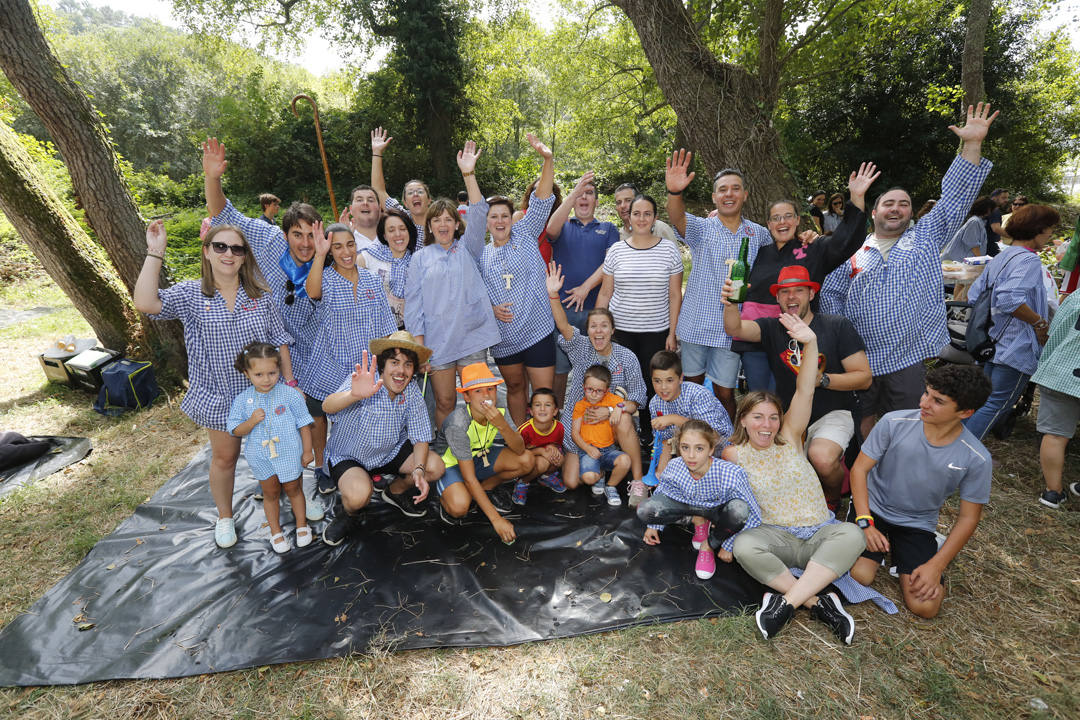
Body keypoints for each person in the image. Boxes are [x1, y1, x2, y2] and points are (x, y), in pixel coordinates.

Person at [820, 103, 997, 441]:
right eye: (888, 203)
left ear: (912, 212)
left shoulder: (925, 238)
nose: (896, 208)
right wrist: (840, 341)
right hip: (860, 358)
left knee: (905, 422)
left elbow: (954, 200)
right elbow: (830, 294)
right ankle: (864, 479)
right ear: (874, 213)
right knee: (862, 421)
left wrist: (972, 144)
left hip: (906, 355)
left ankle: (896, 475)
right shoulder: (852, 248)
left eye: (903, 204)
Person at [134, 220, 295, 549]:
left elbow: (280, 342)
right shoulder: (192, 295)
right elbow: (146, 303)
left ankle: (288, 503)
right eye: (220, 246)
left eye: (236, 248)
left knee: (279, 454)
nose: (228, 254)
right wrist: (155, 253)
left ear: (244, 256)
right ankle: (225, 517)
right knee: (225, 459)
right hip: (219, 397)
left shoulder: (260, 297)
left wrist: (290, 383)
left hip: (262, 395)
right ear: (207, 252)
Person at [202, 138, 331, 503]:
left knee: (315, 411)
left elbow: (329, 289)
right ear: (285, 231)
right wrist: (213, 178)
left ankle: (320, 468)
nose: (305, 242)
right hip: (269, 349)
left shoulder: (324, 260)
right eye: (297, 234)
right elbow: (224, 213)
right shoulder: (269, 239)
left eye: (311, 235)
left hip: (309, 348)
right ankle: (273, 475)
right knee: (270, 416)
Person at [723, 314, 866, 644]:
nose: (767, 424)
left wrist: (811, 341)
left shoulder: (791, 436)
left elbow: (805, 388)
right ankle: (820, 603)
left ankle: (785, 604)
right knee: (746, 546)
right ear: (743, 420)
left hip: (819, 531)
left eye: (773, 416)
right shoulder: (733, 455)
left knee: (852, 535)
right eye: (757, 416)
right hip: (777, 537)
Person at [849, 365, 993, 619]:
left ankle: (918, 552)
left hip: (917, 523)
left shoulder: (977, 457)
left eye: (938, 401)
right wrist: (865, 522)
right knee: (860, 576)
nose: (924, 403)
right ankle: (882, 552)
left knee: (925, 607)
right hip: (873, 509)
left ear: (966, 412)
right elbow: (859, 470)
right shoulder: (894, 422)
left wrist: (936, 566)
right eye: (926, 393)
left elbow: (969, 517)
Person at [723, 266, 871, 509]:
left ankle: (832, 498)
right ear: (778, 298)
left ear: (812, 294)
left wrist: (824, 380)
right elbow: (735, 329)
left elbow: (864, 377)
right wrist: (730, 303)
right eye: (785, 292)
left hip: (833, 411)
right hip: (789, 418)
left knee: (821, 458)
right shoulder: (772, 327)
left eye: (799, 291)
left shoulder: (836, 326)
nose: (791, 297)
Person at [735, 162, 878, 393]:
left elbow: (845, 242)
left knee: (793, 395)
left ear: (798, 220)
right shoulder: (757, 252)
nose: (783, 222)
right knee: (761, 397)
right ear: (769, 224)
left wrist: (857, 198)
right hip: (756, 339)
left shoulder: (812, 248)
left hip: (796, 338)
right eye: (776, 218)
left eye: (788, 216)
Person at [664, 155, 773, 421]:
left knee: (725, 392)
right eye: (723, 189)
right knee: (690, 387)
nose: (729, 194)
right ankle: (687, 439)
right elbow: (676, 216)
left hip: (731, 329)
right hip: (696, 325)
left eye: (735, 188)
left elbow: (778, 260)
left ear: (745, 194)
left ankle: (726, 439)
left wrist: (806, 238)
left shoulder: (758, 234)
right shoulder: (702, 228)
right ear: (714, 197)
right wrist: (675, 191)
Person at [464, 134, 557, 426]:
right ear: (486, 222)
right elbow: (475, 294)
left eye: (505, 215)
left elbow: (542, 200)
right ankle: (523, 441)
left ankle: (546, 441)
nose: (500, 221)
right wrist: (491, 310)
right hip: (504, 339)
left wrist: (547, 159)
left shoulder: (526, 234)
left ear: (512, 218)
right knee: (516, 389)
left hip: (538, 329)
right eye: (494, 217)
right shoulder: (480, 253)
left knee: (542, 393)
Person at [404, 151, 502, 429]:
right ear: (430, 227)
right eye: (437, 220)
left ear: (457, 224)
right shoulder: (420, 258)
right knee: (445, 402)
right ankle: (449, 454)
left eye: (448, 219)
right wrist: (421, 350)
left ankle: (478, 452)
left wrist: (468, 174)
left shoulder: (468, 249)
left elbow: (480, 211)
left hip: (471, 338)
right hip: (438, 344)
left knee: (480, 400)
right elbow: (413, 308)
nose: (443, 224)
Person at [320, 336, 446, 546]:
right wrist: (353, 395)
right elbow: (327, 406)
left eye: (407, 364)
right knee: (359, 496)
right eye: (394, 362)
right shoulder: (366, 382)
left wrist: (419, 471)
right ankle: (348, 514)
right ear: (383, 365)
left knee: (435, 467)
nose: (401, 371)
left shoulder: (412, 390)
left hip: (389, 452)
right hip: (350, 456)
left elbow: (421, 436)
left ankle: (394, 491)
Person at [305, 222, 398, 493]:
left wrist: (391, 356)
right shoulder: (327, 279)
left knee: (360, 418)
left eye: (350, 244)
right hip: (330, 364)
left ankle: (362, 465)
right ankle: (322, 467)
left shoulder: (370, 279)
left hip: (365, 364)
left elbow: (385, 322)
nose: (346, 252)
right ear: (329, 250)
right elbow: (313, 292)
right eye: (337, 246)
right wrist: (319, 255)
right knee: (321, 415)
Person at [546, 262, 647, 492]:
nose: (598, 331)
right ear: (588, 330)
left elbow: (638, 397)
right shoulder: (581, 349)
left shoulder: (626, 357)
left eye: (604, 326)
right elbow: (563, 326)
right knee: (572, 482)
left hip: (613, 426)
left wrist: (612, 410)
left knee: (622, 417)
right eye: (593, 326)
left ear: (612, 330)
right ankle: (600, 467)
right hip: (581, 430)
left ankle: (638, 480)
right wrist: (553, 294)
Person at [964, 204, 1058, 441]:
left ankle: (950, 443)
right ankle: (961, 452)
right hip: (1016, 347)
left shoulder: (1000, 257)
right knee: (997, 403)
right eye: (1049, 230)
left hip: (991, 342)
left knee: (981, 400)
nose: (1050, 236)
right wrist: (1039, 322)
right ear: (1038, 230)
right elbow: (1009, 299)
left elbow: (974, 296)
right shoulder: (1029, 261)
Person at [597, 193, 684, 444]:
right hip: (621, 331)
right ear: (629, 216)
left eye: (647, 214)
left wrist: (672, 332)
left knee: (651, 383)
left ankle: (650, 433)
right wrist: (599, 329)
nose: (642, 218)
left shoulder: (668, 250)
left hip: (656, 330)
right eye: (637, 213)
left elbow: (675, 295)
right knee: (618, 382)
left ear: (655, 218)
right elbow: (605, 292)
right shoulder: (616, 251)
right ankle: (615, 433)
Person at [639, 420, 761, 580]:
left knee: (739, 510)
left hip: (717, 512)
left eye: (699, 448)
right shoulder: (674, 466)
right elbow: (663, 491)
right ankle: (698, 521)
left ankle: (707, 546)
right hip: (688, 507)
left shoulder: (732, 474)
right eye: (685, 447)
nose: (691, 456)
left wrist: (728, 544)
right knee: (645, 510)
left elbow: (753, 514)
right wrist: (654, 525)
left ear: (711, 449)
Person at [227, 343, 314, 553]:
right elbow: (235, 430)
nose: (266, 379)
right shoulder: (242, 400)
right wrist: (251, 422)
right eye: (259, 374)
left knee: (294, 489)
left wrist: (307, 450)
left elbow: (304, 423)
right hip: (261, 457)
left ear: (279, 370)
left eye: (272, 373)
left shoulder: (290, 395)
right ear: (247, 373)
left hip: (289, 453)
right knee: (271, 493)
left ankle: (302, 525)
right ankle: (276, 532)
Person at [437, 364, 536, 543]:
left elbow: (521, 449)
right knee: (460, 507)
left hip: (478, 458)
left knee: (527, 461)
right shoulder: (458, 424)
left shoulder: (498, 412)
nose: (486, 396)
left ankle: (485, 489)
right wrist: (497, 520)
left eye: (491, 389)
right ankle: (446, 496)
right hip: (453, 466)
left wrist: (501, 424)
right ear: (466, 396)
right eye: (478, 391)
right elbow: (469, 477)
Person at [546, 171, 620, 406]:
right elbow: (549, 230)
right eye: (580, 194)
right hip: (562, 313)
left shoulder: (608, 229)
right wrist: (573, 193)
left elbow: (610, 263)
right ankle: (556, 420)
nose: (584, 198)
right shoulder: (563, 226)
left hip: (594, 312)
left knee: (595, 371)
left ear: (597, 202)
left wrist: (585, 288)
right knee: (559, 370)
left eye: (589, 194)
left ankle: (592, 419)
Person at [648, 351, 733, 479]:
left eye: (669, 380)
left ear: (681, 378)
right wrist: (660, 474)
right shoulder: (655, 403)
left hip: (721, 452)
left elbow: (712, 435)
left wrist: (674, 419)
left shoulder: (698, 395)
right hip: (689, 455)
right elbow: (664, 441)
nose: (663, 387)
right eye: (657, 381)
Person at [1032, 291, 1080, 507]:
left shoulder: (1077, 296)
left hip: (1061, 372)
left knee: (1055, 435)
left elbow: (1056, 332)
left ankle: (1053, 492)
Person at [572, 365, 634, 506]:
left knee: (625, 460)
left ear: (606, 391)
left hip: (608, 450)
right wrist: (588, 449)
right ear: (584, 387)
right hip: (589, 451)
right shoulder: (580, 406)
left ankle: (611, 486)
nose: (594, 394)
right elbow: (574, 433)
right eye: (590, 389)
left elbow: (632, 406)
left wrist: (619, 408)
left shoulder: (610, 400)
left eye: (599, 391)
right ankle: (600, 474)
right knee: (588, 478)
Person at [358, 208, 417, 329]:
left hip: (405, 332)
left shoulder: (417, 262)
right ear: (384, 235)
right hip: (372, 329)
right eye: (391, 230)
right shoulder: (371, 256)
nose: (398, 234)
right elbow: (343, 273)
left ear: (409, 232)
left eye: (402, 229)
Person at [370, 127, 431, 244]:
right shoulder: (402, 218)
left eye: (420, 191)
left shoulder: (439, 222)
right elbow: (378, 190)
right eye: (410, 193)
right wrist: (377, 153)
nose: (415, 194)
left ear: (429, 200)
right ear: (405, 203)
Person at [512, 388, 568, 505]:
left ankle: (546, 476)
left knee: (560, 457)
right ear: (531, 411)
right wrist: (541, 451)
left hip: (544, 455)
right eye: (537, 405)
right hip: (526, 461)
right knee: (543, 463)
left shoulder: (559, 427)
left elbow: (557, 444)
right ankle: (522, 482)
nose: (542, 409)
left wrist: (553, 448)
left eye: (547, 405)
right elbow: (517, 454)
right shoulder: (525, 430)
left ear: (555, 411)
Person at [513, 177, 563, 264]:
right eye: (536, 189)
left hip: (546, 274)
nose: (541, 193)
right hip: (523, 273)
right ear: (530, 194)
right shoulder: (520, 216)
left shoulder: (555, 221)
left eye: (547, 190)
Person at [941, 197, 995, 261]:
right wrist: (981, 260)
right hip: (956, 261)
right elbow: (973, 245)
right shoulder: (975, 222)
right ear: (987, 209)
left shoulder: (978, 221)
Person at [339, 184, 384, 251]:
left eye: (370, 200)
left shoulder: (392, 232)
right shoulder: (339, 235)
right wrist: (345, 236)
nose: (365, 203)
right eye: (359, 200)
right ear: (351, 209)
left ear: (379, 208)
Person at [985, 187, 1010, 256]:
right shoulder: (994, 211)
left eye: (1007, 198)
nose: (1007, 200)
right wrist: (1015, 237)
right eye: (1003, 198)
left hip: (985, 246)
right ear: (994, 198)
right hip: (990, 248)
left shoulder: (987, 209)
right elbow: (996, 229)